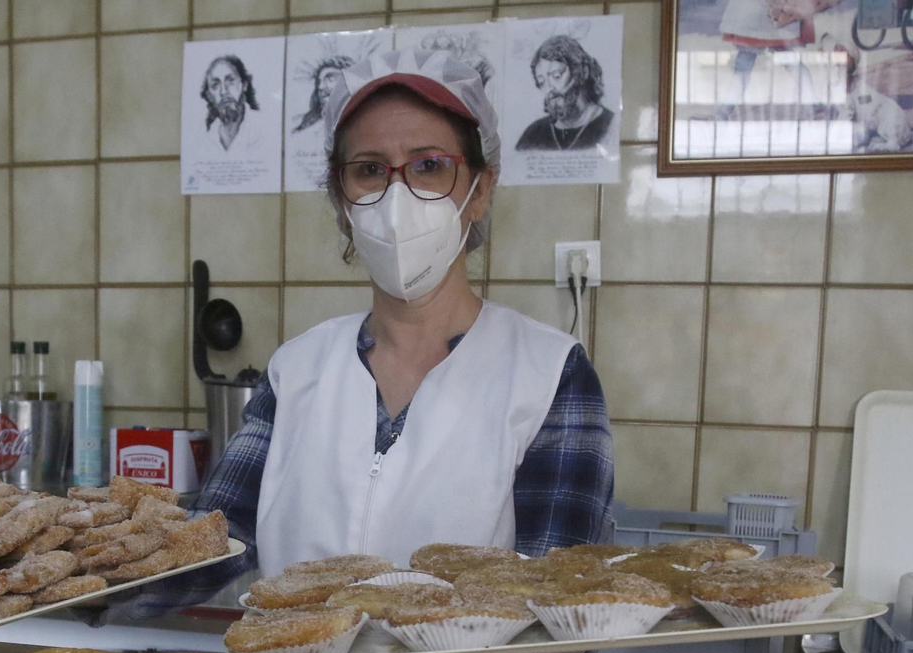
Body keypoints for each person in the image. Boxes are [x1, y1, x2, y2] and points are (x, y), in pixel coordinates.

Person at [155, 48, 613, 603]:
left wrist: (559, 642)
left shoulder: (548, 376)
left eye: (428, 166)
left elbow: (553, 615)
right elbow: (207, 552)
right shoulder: (297, 370)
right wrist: (85, 579)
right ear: (341, 197)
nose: (397, 197)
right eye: (370, 170)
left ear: (480, 190)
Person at [515, 36, 616, 152]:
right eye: (541, 82)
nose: (548, 88)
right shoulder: (532, 135)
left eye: (556, 76)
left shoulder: (611, 127)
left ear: (583, 72)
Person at [202, 55, 259, 152]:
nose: (223, 91)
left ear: (244, 85)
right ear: (209, 95)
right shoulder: (204, 136)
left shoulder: (262, 128)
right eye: (215, 85)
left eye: (230, 81)